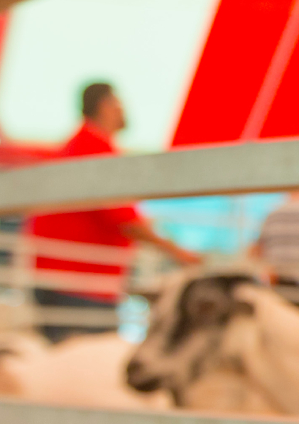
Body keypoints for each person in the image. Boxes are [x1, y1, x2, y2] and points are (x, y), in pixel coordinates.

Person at [28, 82, 198, 341]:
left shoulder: (76, 147)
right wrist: (177, 252)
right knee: (88, 363)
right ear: (104, 106)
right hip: (81, 284)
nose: (123, 110)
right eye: (118, 104)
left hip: (65, 279)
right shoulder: (93, 149)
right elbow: (124, 219)